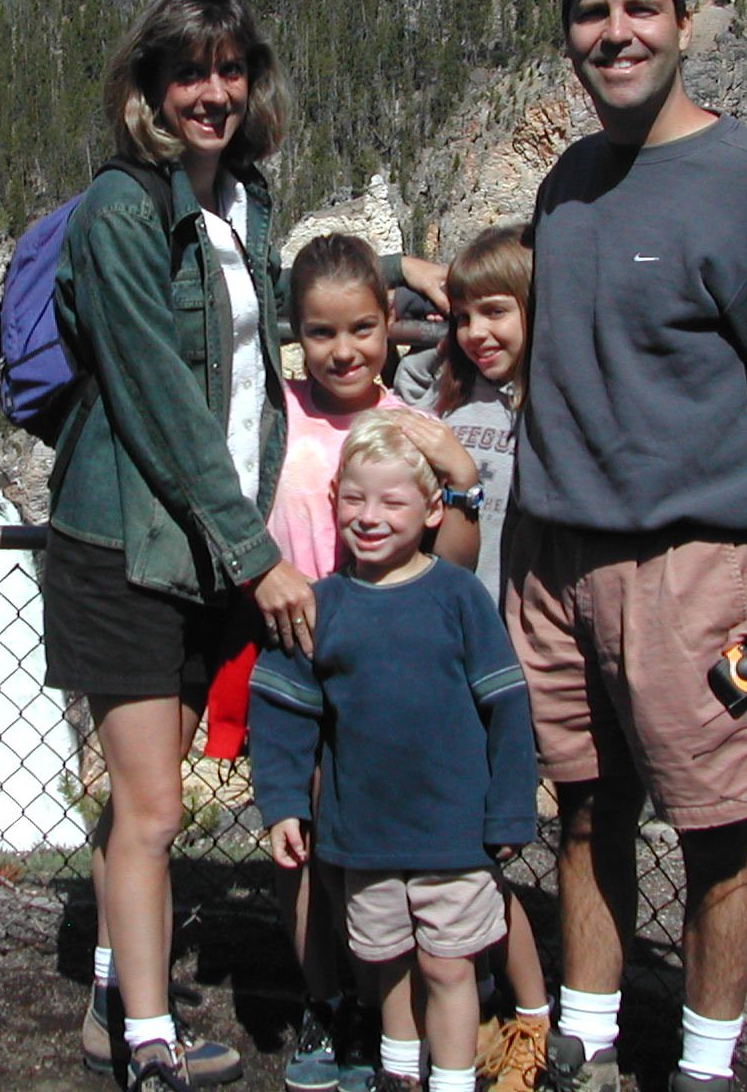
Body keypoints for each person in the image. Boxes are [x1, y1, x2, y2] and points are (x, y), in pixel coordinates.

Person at [513, 0, 747, 1092]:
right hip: (553, 563)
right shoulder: (567, 183)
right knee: (581, 813)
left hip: (691, 570)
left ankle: (706, 1067)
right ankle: (588, 1037)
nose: (612, 33)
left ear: (682, 15)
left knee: (717, 835)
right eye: (589, 13)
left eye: (636, 6)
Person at [44, 0, 305, 1091]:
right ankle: (144, 1044)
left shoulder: (243, 204)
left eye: (229, 69)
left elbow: (250, 371)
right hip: (126, 546)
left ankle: (120, 995)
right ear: (146, 85)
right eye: (188, 71)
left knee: (135, 807)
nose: (213, 92)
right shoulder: (118, 212)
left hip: (196, 544)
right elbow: (156, 395)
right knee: (151, 811)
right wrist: (256, 554)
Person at [251, 411, 539, 1092]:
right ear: (333, 503)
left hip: (453, 832)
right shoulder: (320, 606)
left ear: (433, 509)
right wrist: (285, 803)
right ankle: (400, 1073)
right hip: (363, 838)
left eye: (391, 500)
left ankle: (454, 1080)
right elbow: (285, 712)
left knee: (449, 965)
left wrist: (508, 812)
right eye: (354, 498)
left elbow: (506, 708)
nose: (369, 516)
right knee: (388, 964)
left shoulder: (460, 598)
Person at [260, 235, 483, 1092]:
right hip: (291, 651)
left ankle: (388, 1003)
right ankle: (329, 1002)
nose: (344, 350)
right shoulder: (270, 416)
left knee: (375, 845)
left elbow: (454, 561)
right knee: (303, 841)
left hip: (387, 668)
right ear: (295, 334)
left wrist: (458, 481)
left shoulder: (411, 430)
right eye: (321, 332)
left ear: (391, 326)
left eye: (362, 327)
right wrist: (396, 263)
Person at [395, 225, 553, 1092]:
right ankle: (479, 1005)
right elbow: (405, 386)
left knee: (471, 855)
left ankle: (525, 1014)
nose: (477, 332)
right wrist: (414, 278)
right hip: (437, 659)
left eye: (499, 312)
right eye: (464, 315)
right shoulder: (454, 401)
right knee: (434, 847)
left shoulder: (545, 410)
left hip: (499, 660)